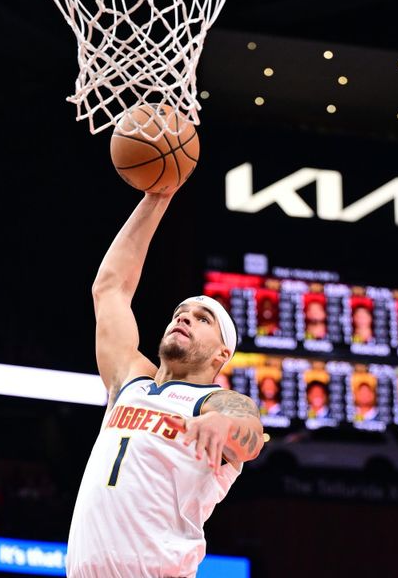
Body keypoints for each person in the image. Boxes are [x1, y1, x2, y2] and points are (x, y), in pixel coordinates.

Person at [66, 191, 265, 578]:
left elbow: (251, 433)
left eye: (202, 319)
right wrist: (158, 195)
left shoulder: (214, 401)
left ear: (221, 355)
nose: (184, 318)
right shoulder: (129, 379)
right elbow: (110, 289)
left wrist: (225, 424)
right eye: (181, 313)